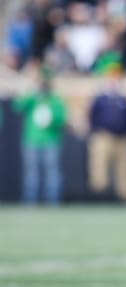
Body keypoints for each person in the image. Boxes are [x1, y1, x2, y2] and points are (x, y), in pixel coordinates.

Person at [12, 68, 69, 205]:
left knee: (52, 171)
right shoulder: (33, 98)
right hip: (32, 139)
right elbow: (18, 107)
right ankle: (30, 200)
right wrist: (31, 94)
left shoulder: (55, 99)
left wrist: (52, 119)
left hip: (51, 140)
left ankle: (53, 200)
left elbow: (62, 118)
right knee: (31, 172)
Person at [87, 62, 126, 202]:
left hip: (124, 137)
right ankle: (98, 196)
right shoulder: (101, 96)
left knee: (125, 170)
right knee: (99, 168)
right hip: (104, 135)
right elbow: (93, 115)